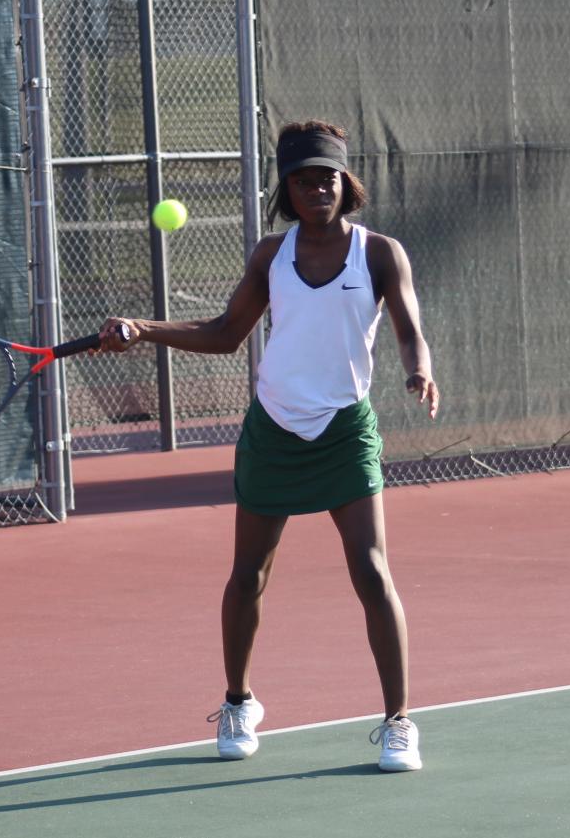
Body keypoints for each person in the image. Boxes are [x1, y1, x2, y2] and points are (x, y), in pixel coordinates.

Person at [98, 119, 439, 772]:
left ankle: (398, 721)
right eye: (305, 178)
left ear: (346, 184)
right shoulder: (269, 256)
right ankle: (238, 700)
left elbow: (409, 329)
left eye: (328, 177)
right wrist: (143, 329)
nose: (318, 188)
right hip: (273, 430)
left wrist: (418, 367)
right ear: (288, 187)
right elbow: (226, 332)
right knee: (248, 575)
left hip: (343, 429)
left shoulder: (379, 253)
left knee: (370, 569)